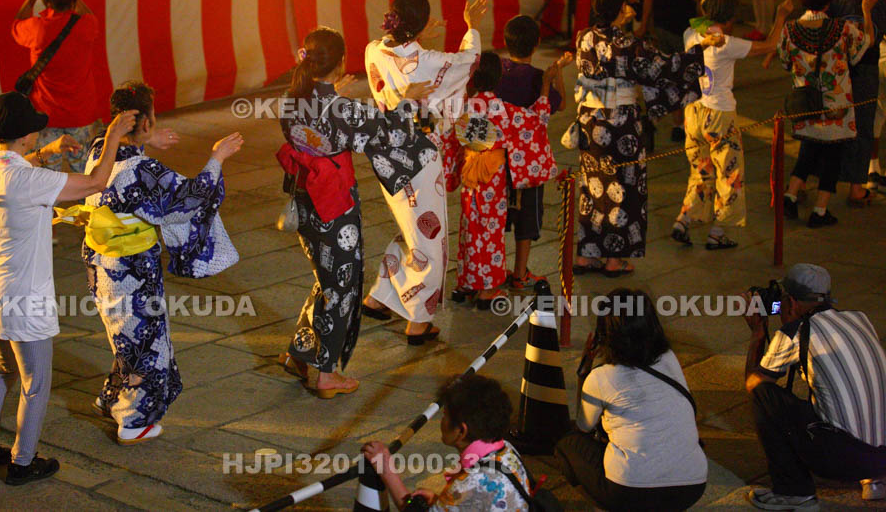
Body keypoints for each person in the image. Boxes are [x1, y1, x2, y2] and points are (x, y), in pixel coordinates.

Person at [0, 92, 136, 484]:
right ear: (27, 135)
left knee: (2, 366)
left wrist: (46, 154)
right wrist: (111, 138)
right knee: (36, 383)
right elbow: (95, 181)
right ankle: (23, 462)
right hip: (23, 299)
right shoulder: (28, 179)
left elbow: (18, 174)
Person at [71, 82, 241, 441]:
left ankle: (112, 397)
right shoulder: (143, 170)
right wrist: (217, 158)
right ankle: (134, 422)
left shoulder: (102, 148)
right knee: (147, 344)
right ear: (145, 121)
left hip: (101, 264)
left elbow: (125, 148)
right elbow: (192, 197)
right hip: (131, 271)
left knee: (125, 337)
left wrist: (148, 140)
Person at [277, 27, 437, 396]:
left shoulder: (291, 98)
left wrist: (333, 93)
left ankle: (301, 353)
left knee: (326, 275)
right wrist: (407, 99)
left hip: (305, 198)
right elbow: (387, 132)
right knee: (343, 286)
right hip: (334, 203)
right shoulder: (343, 109)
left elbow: (327, 117)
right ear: (341, 63)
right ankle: (326, 373)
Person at [362, 0, 488, 344]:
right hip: (419, 158)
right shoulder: (430, 61)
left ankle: (380, 297)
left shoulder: (375, 50)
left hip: (387, 155)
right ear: (418, 25)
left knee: (411, 229)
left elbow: (402, 64)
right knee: (431, 242)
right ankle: (418, 320)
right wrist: (471, 26)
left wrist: (418, 37)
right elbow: (468, 61)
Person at [570, 0, 718, 277]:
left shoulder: (583, 37)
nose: (631, 7)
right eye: (626, 3)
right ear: (617, 9)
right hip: (620, 124)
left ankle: (586, 255)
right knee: (624, 189)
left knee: (594, 187)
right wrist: (701, 49)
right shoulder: (629, 46)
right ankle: (615, 259)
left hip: (590, 122)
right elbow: (666, 66)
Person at [743, 264, 886, 509]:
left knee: (764, 394)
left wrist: (758, 333)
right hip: (882, 457)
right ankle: (875, 481)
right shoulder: (859, 318)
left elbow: (754, 384)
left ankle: (794, 491)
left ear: (790, 302)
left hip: (844, 461)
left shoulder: (795, 332)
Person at [556, 288, 707, 511]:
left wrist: (584, 373)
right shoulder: (668, 358)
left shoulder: (601, 377)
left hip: (629, 493)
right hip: (691, 488)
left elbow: (583, 426)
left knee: (567, 443)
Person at [672, 0, 792, 249]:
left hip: (693, 111)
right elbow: (770, 45)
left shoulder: (690, 34)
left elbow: (701, 26)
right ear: (730, 17)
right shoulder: (726, 44)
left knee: (700, 169)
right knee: (730, 173)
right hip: (720, 114)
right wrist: (781, 15)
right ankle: (718, 231)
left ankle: (684, 218)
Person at [447, 51, 567, 308]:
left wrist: (450, 171)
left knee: (470, 228)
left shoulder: (465, 105)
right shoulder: (500, 109)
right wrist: (546, 84)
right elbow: (538, 120)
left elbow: (451, 138)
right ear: (498, 78)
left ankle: (467, 283)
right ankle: (488, 289)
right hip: (492, 178)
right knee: (490, 232)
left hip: (471, 174)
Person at [769, 0, 878, 227]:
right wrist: (866, 12)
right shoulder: (842, 29)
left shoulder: (790, 29)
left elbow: (785, 61)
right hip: (835, 106)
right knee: (832, 156)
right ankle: (820, 211)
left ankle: (790, 196)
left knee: (809, 149)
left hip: (805, 104)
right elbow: (866, 45)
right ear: (829, 2)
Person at [362, 374, 537, 511]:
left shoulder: (471, 482)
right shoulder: (507, 450)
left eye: (445, 415)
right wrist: (443, 502)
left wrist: (385, 468)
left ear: (461, 431)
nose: (442, 421)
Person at [498, 15, 566, 290]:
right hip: (528, 164)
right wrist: (556, 73)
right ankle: (520, 273)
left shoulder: (498, 73)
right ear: (537, 43)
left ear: (505, 42)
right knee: (527, 216)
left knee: (498, 215)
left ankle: (493, 267)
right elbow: (559, 105)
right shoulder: (539, 79)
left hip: (500, 159)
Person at [13, 0, 101, 173]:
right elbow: (89, 15)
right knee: (85, 176)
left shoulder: (37, 28)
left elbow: (17, 24)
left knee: (45, 179)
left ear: (45, 0)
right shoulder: (86, 26)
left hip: (46, 116)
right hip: (81, 115)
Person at [829, 0, 886, 206]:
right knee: (863, 124)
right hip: (867, 65)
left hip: (839, 65)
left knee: (836, 120)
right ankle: (856, 185)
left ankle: (825, 182)